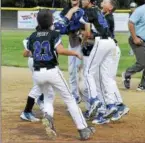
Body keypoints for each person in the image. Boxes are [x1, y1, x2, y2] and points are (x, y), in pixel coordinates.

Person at [23, 9, 95, 140]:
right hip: (52, 71)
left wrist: (34, 51)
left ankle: (48, 116)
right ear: (51, 21)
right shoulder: (54, 35)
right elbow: (60, 51)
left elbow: (25, 53)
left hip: (38, 74)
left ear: (38, 21)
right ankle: (83, 129)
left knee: (48, 97)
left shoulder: (33, 36)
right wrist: (75, 53)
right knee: (69, 99)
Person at [81, 0, 118, 119]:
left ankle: (94, 99)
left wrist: (83, 41)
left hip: (101, 42)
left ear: (90, 1)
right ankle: (111, 104)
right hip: (111, 43)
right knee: (105, 76)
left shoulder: (89, 11)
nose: (82, 0)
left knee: (88, 72)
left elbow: (86, 30)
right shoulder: (96, 10)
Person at [59, 0, 84, 104]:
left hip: (83, 43)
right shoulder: (66, 9)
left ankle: (85, 94)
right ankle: (75, 95)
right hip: (72, 41)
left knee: (80, 69)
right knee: (71, 70)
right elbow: (61, 26)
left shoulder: (84, 8)